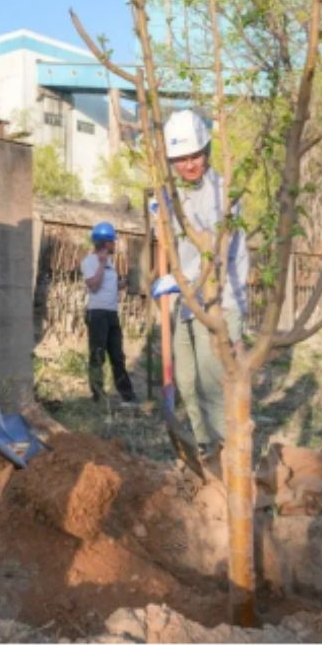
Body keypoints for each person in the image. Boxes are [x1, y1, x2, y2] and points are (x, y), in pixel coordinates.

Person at [151, 108, 247, 469]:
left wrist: (180, 278)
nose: (189, 165)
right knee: (188, 382)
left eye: (195, 156)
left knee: (211, 384)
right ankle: (203, 449)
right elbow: (172, 244)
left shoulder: (224, 194)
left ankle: (227, 455)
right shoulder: (170, 195)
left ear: (206, 151)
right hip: (187, 301)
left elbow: (215, 250)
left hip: (220, 300)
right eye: (181, 159)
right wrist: (159, 215)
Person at [81, 220, 134, 404]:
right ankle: (98, 397)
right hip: (97, 314)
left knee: (118, 357)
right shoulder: (89, 262)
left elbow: (111, 286)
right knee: (97, 356)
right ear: (104, 242)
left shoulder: (110, 262)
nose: (115, 244)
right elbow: (94, 286)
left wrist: (125, 282)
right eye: (112, 241)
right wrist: (102, 265)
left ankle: (128, 397)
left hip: (111, 314)